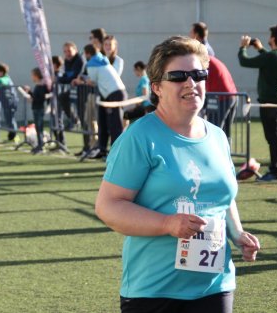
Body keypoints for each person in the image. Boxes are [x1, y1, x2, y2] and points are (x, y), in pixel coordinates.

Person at [95, 36, 260, 313]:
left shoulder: (217, 136)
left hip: (215, 287)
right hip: (154, 290)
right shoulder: (139, 137)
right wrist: (168, 224)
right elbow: (108, 206)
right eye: (179, 76)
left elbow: (222, 195)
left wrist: (237, 232)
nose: (191, 83)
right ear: (157, 87)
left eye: (198, 75)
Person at [238, 25, 277, 182]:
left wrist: (242, 48)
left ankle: (275, 172)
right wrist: (260, 49)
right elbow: (272, 58)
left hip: (270, 103)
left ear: (273, 38)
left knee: (274, 138)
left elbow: (244, 61)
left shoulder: (271, 57)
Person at [81, 44, 127, 160]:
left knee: (115, 125)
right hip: (111, 93)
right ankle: (103, 150)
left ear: (87, 53)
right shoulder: (102, 60)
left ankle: (116, 153)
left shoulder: (92, 63)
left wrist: (81, 80)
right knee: (104, 123)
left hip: (113, 94)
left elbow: (92, 81)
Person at [206, 56, 238, 140]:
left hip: (221, 98)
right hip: (231, 95)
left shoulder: (203, 61)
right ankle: (226, 151)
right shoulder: (211, 60)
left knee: (214, 129)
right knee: (225, 132)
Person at [57, 41, 85, 130]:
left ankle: (81, 124)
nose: (67, 53)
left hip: (84, 89)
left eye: (69, 51)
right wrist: (61, 79)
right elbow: (66, 76)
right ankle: (75, 120)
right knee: (62, 97)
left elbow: (73, 77)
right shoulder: (66, 61)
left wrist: (61, 79)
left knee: (83, 113)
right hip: (75, 89)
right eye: (65, 51)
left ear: (75, 50)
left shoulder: (79, 60)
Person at [0, 63, 18, 142]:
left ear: (1, 72)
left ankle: (13, 135)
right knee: (8, 118)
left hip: (11, 101)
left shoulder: (5, 78)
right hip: (5, 102)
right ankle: (10, 135)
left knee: (10, 119)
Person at [23, 67, 49, 154]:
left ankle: (40, 145)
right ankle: (39, 145)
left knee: (39, 128)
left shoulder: (41, 85)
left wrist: (30, 92)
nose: (31, 77)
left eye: (32, 75)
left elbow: (39, 98)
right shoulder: (39, 85)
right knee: (38, 128)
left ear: (36, 76)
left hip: (39, 109)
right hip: (36, 108)